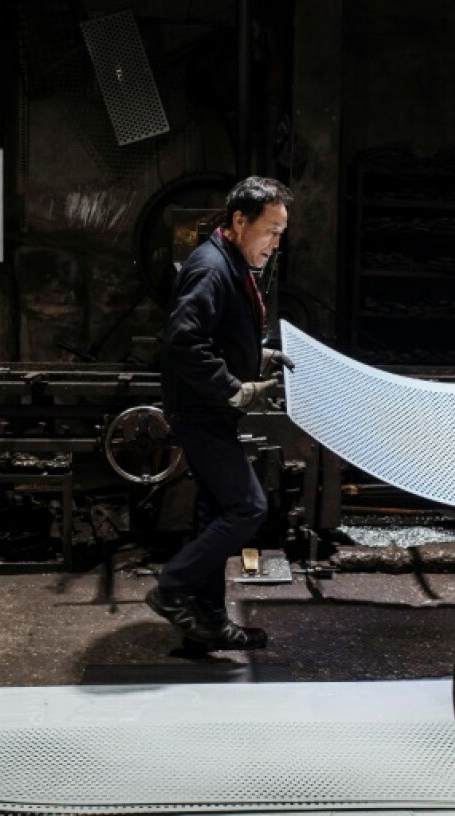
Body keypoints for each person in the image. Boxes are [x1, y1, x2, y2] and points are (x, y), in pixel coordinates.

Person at [148, 176, 295, 650]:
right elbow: (183, 341)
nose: (276, 242)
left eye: (280, 233)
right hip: (202, 412)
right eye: (270, 230)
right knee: (248, 506)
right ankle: (172, 587)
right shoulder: (212, 267)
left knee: (216, 511)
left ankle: (207, 622)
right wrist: (236, 389)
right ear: (239, 221)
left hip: (210, 411)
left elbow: (218, 333)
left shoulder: (232, 263)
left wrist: (260, 357)